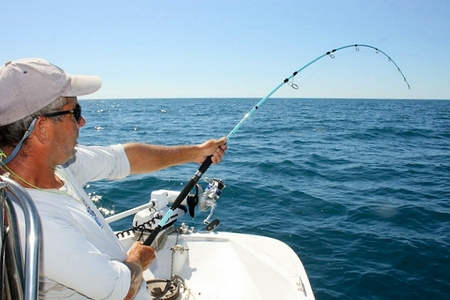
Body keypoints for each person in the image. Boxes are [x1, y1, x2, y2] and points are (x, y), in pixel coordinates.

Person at [0, 58, 227, 299]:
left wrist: (197, 152)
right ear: (43, 129)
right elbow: (121, 290)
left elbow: (125, 158)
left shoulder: (56, 167)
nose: (83, 122)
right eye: (74, 113)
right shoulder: (32, 222)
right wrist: (138, 259)